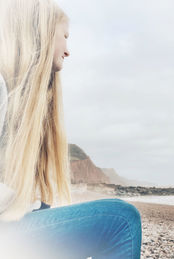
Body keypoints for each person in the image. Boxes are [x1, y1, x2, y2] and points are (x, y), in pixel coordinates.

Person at [0, 0, 142, 258]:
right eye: (64, 36)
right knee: (121, 220)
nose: (68, 51)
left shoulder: (25, 106)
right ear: (41, 32)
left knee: (43, 206)